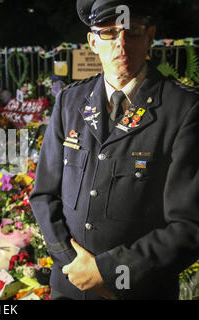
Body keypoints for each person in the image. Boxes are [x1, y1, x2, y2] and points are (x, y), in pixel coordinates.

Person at [30, 0, 199, 300]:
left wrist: (108, 274)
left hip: (138, 292)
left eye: (132, 31)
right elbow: (44, 195)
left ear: (150, 36)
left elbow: (189, 225)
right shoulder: (70, 102)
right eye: (109, 32)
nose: (121, 43)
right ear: (93, 42)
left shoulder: (183, 109)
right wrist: (74, 265)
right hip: (68, 288)